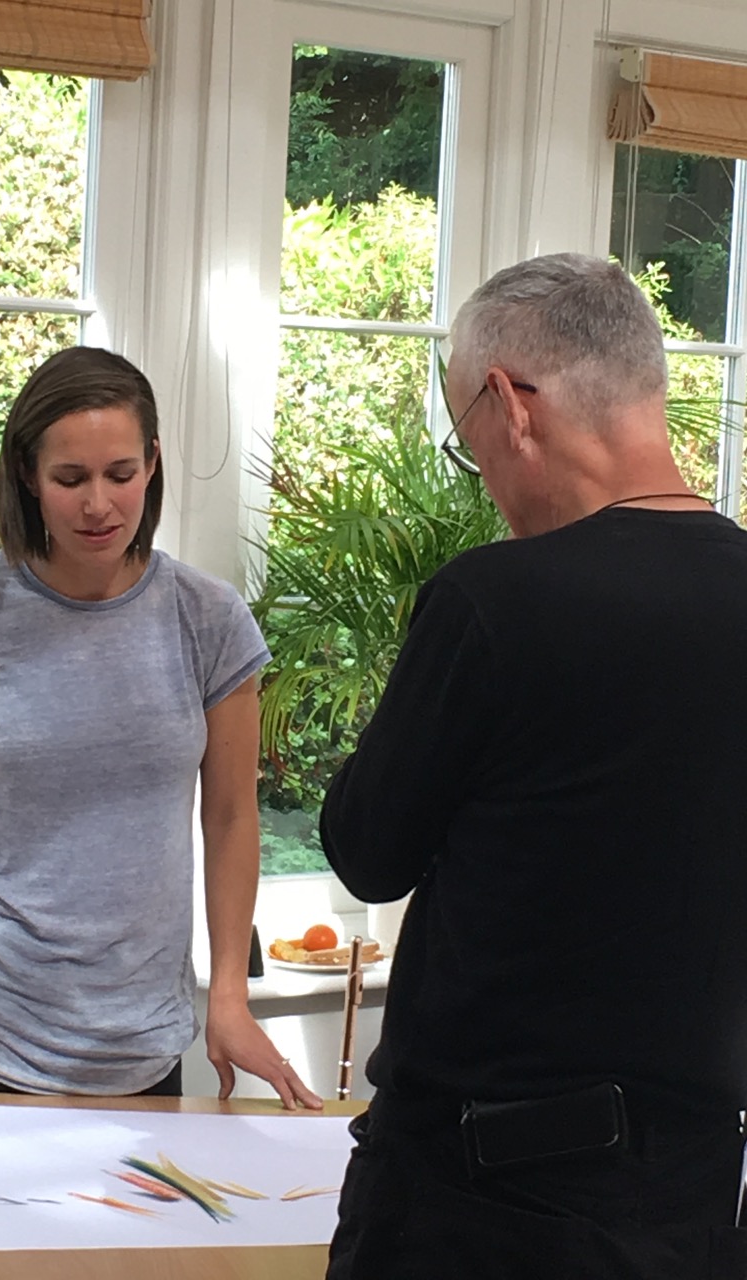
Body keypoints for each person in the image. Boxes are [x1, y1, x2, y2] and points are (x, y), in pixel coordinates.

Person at [321, 254, 747, 1279]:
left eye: (469, 445)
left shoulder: (495, 602)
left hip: (481, 1191)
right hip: (693, 1190)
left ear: (510, 404)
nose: (488, 481)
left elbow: (368, 851)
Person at [0, 346, 321, 1112]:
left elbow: (229, 817)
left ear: (152, 465)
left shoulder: (208, 618)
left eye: (121, 474)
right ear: (28, 475)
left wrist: (229, 995)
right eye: (71, 479)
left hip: (143, 1040)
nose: (98, 505)